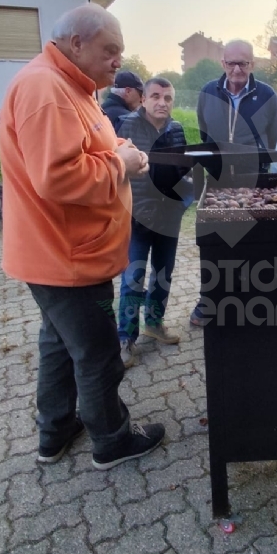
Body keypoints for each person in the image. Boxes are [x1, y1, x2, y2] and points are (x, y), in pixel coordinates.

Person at [0, 3, 165, 470]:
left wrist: (118, 150)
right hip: (67, 256)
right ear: (76, 43)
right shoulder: (46, 90)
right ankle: (111, 439)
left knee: (57, 343)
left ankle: (55, 431)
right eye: (110, 50)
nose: (118, 61)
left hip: (56, 254)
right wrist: (121, 164)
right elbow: (56, 176)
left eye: (120, 52)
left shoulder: (73, 86)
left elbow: (83, 147)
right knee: (97, 353)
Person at [190, 39, 277, 325]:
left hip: (254, 179)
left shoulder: (268, 95)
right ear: (223, 64)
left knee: (253, 240)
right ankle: (210, 298)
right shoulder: (207, 92)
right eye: (232, 63)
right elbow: (204, 133)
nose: (237, 69)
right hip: (218, 179)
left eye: (243, 63)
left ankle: (254, 299)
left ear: (252, 64)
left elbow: (273, 136)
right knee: (215, 241)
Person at [117, 78, 192, 364]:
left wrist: (184, 202)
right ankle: (125, 337)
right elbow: (124, 175)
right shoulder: (127, 127)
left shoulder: (177, 129)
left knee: (163, 274)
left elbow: (184, 173)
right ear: (144, 99)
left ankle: (154, 322)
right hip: (136, 219)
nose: (163, 102)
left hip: (168, 218)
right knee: (132, 279)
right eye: (156, 96)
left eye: (168, 98)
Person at [103, 69, 144, 135]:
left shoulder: (100, 111)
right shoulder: (128, 119)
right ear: (128, 91)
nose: (142, 100)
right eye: (141, 94)